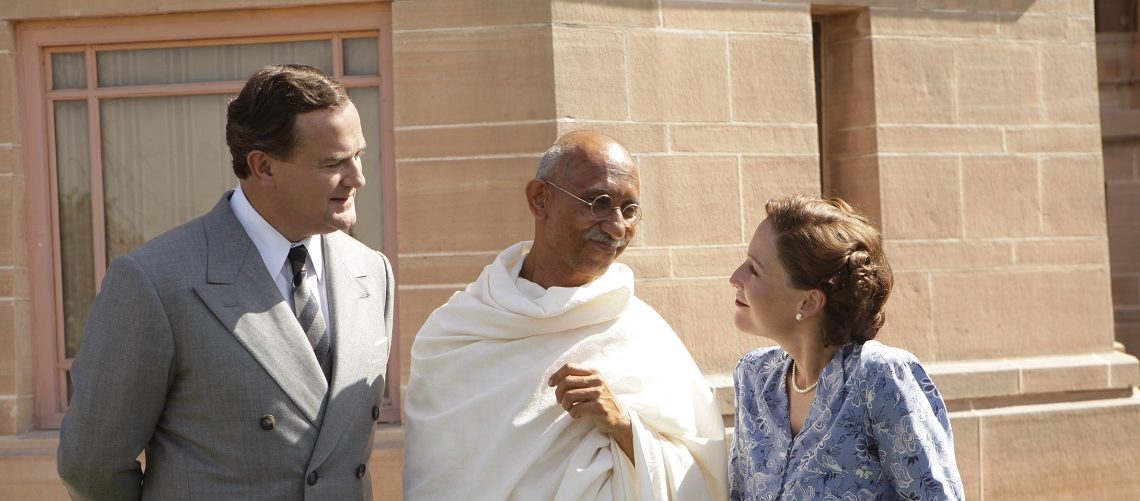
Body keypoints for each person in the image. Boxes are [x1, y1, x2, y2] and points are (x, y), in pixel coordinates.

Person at [57, 64, 395, 500]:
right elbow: (91, 465)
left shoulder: (371, 270)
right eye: (333, 163)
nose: (358, 178)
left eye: (358, 155)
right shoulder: (155, 281)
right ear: (263, 167)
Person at [403, 130, 728, 500]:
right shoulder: (455, 334)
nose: (617, 227)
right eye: (599, 203)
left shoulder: (644, 333)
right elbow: (438, 480)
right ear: (540, 199)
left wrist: (623, 425)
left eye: (629, 210)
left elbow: (700, 476)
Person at [728, 194, 964, 500]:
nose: (735, 278)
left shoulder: (878, 376)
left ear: (809, 302)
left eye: (754, 269)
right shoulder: (754, 376)